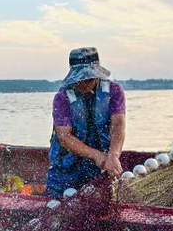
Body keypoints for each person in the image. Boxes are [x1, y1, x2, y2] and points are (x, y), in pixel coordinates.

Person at [45, 47, 125, 198]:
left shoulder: (114, 91)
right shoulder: (62, 97)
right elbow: (64, 136)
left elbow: (118, 126)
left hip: (98, 167)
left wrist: (113, 155)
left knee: (99, 204)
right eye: (79, 80)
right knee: (55, 205)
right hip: (66, 167)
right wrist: (96, 155)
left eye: (88, 79)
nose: (83, 84)